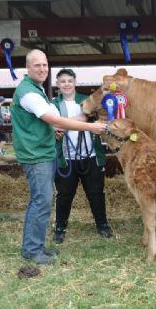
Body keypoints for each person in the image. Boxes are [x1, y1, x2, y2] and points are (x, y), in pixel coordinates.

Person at [11, 49, 107, 265]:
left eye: (45, 65)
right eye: (37, 65)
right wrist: (90, 127)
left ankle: (34, 247)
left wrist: (51, 131)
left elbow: (46, 123)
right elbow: (55, 119)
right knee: (41, 201)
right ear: (28, 67)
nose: (42, 69)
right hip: (37, 155)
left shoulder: (36, 89)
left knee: (40, 201)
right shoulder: (29, 93)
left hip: (42, 151)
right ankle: (33, 250)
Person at [52, 68, 113, 243]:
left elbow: (95, 118)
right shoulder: (53, 105)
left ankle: (102, 225)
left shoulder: (87, 101)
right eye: (62, 81)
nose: (66, 84)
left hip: (90, 154)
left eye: (69, 81)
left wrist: (64, 124)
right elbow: (51, 126)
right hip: (66, 158)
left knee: (96, 193)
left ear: (75, 82)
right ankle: (60, 228)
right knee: (64, 195)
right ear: (58, 84)